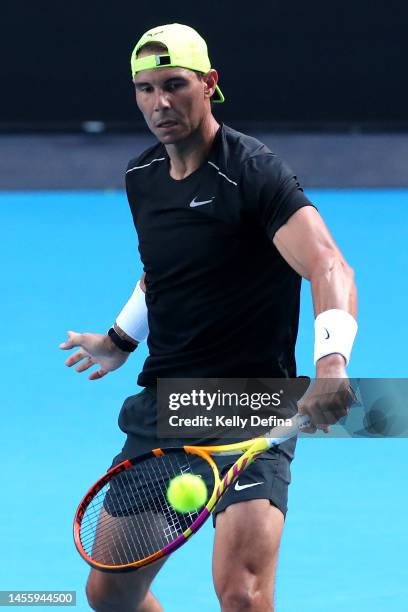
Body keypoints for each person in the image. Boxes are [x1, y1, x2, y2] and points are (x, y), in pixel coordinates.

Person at [60, 23, 357, 612]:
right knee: (111, 595)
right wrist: (120, 340)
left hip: (252, 405)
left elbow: (329, 265)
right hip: (167, 404)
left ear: (209, 84)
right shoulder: (142, 178)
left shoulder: (253, 172)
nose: (160, 103)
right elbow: (165, 270)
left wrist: (331, 361)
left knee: (242, 595)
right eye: (145, 89)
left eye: (175, 85)